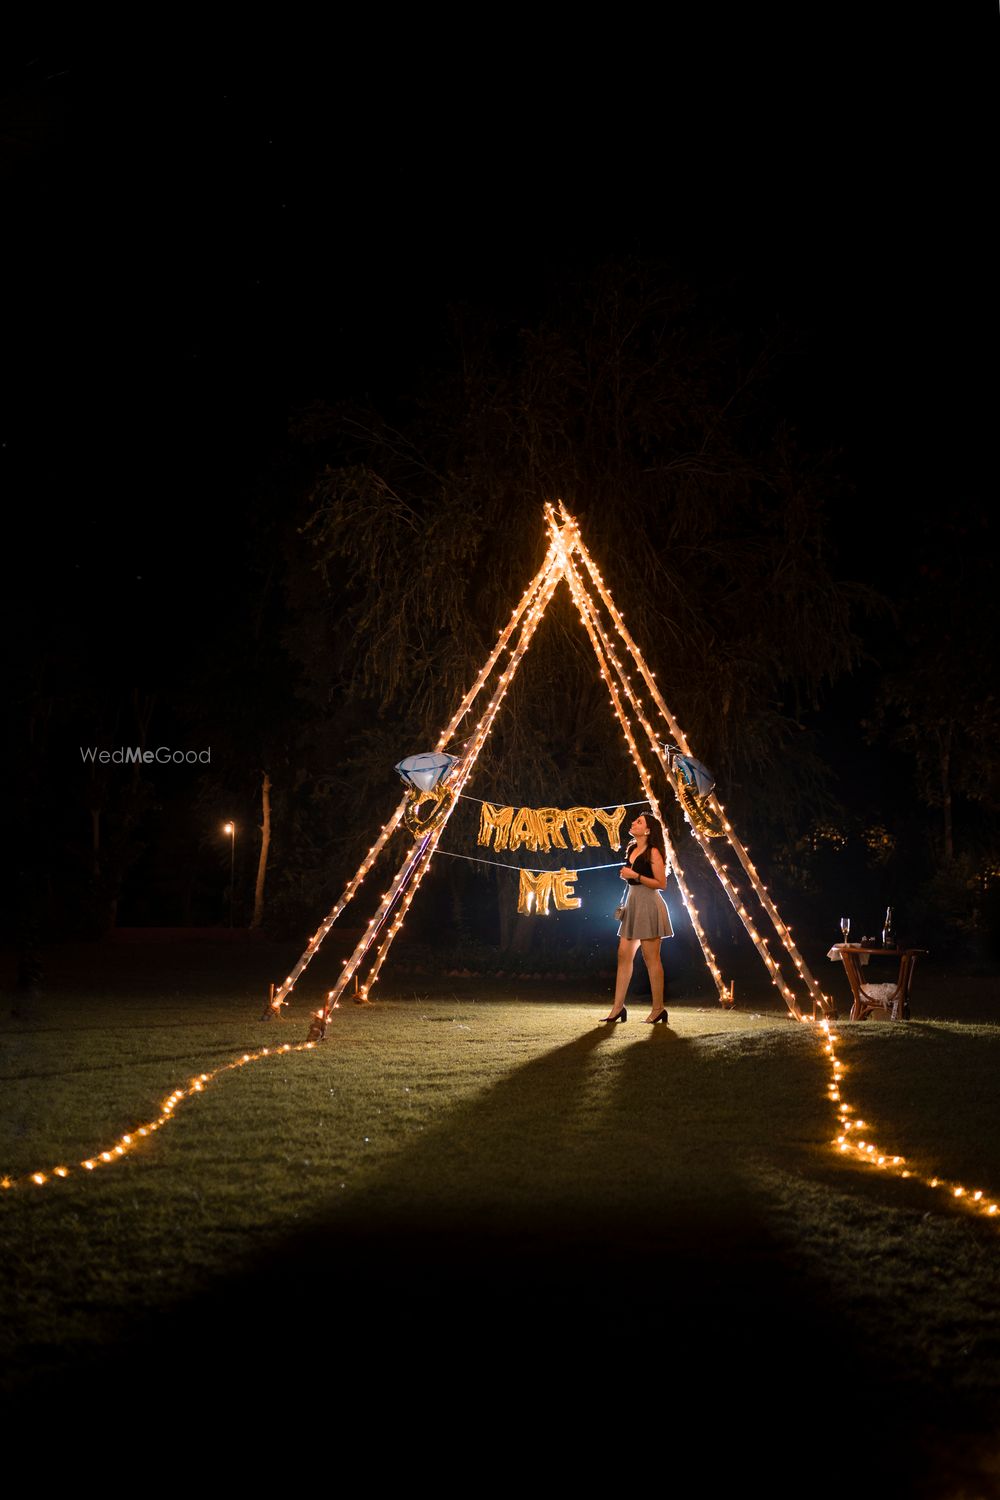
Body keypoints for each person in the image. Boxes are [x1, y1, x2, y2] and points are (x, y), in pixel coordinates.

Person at [600, 811, 672, 1024]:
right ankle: (617, 1009)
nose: (633, 822)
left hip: (649, 905)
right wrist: (628, 878)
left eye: (638, 822)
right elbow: (632, 880)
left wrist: (636, 876)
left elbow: (661, 884)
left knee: (651, 959)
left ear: (647, 830)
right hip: (632, 904)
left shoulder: (654, 852)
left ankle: (658, 1009)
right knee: (623, 955)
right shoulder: (632, 848)